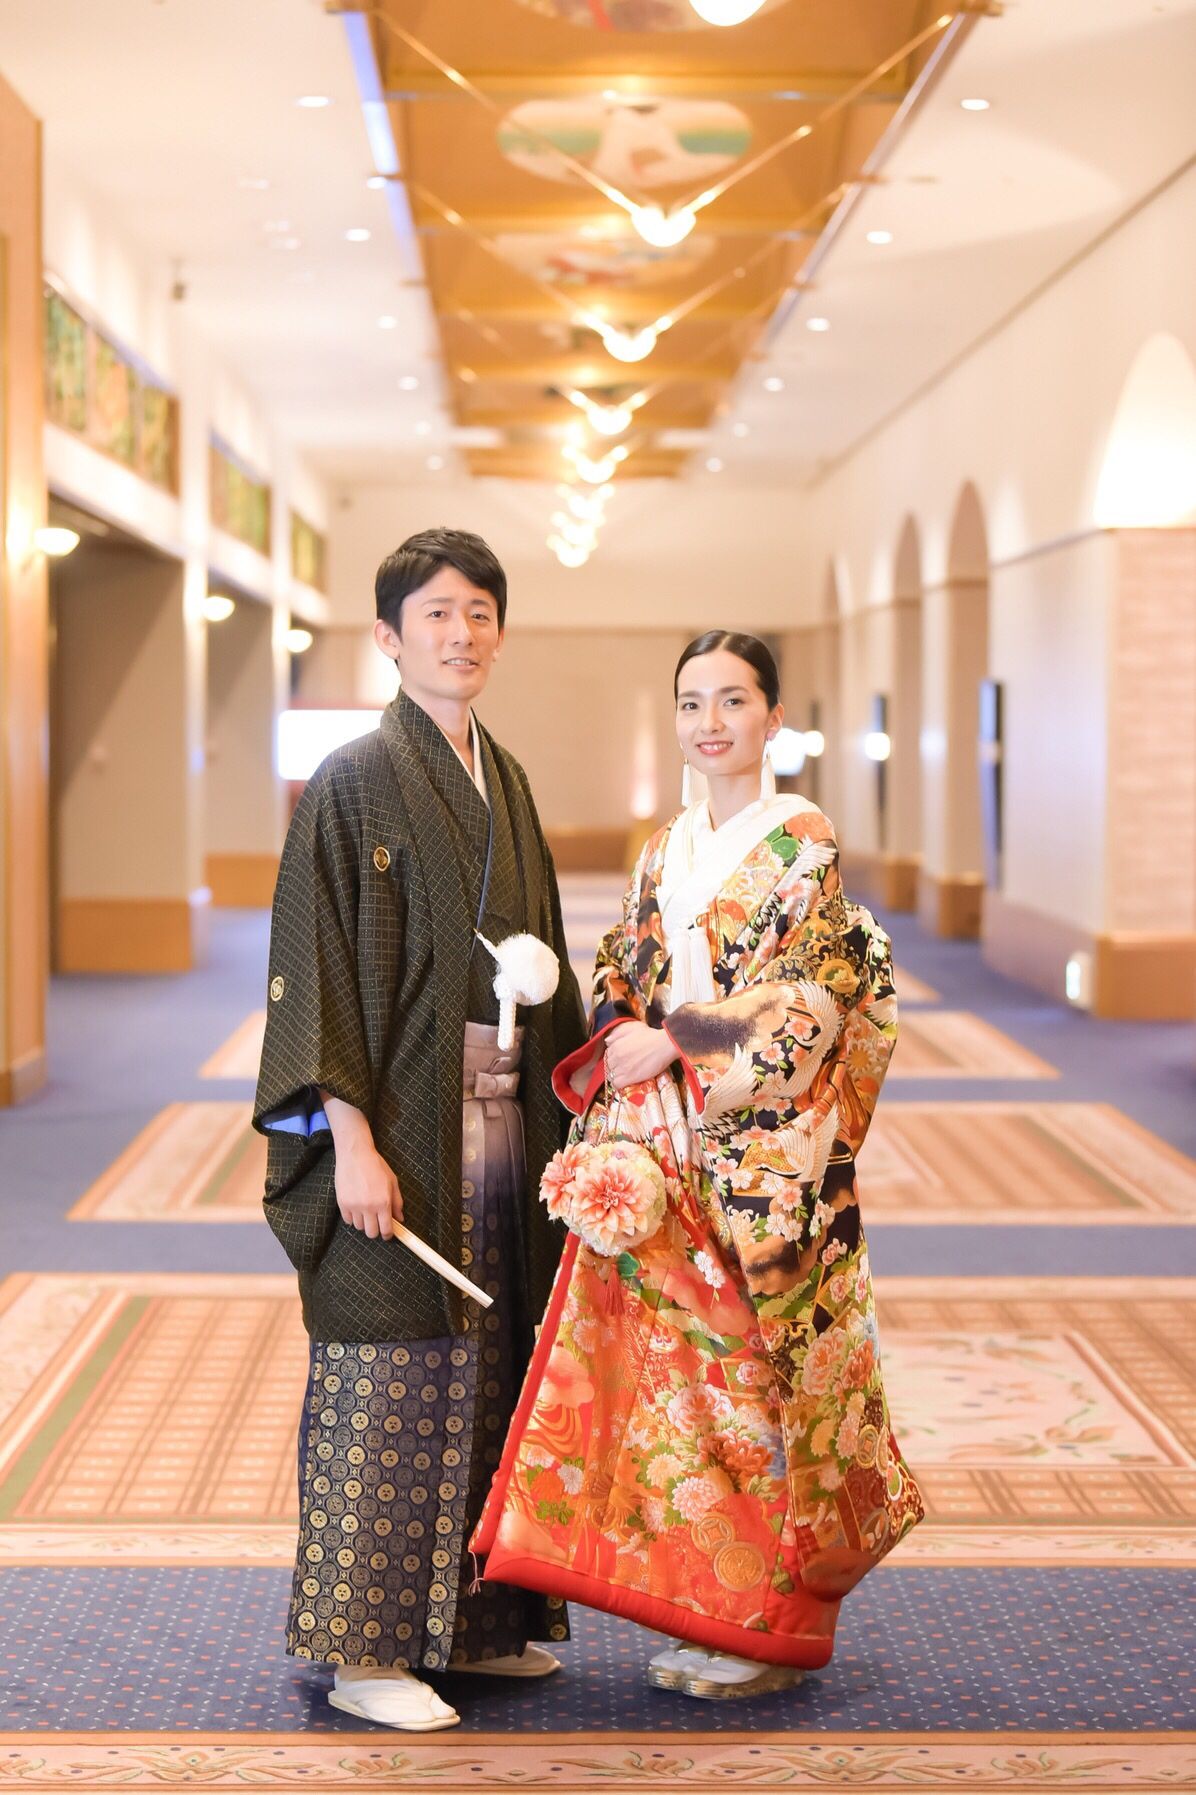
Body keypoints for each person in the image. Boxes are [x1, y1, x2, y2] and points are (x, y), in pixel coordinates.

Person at [473, 630, 923, 1700]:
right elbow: (619, 964)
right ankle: (715, 1606)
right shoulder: (663, 847)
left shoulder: (802, 845)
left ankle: (771, 1626)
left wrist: (678, 1038)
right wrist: (626, 1035)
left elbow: (811, 999)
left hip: (758, 1155)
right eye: (690, 702)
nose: (709, 722)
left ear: (774, 718)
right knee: (683, 1388)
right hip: (665, 1144)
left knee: (757, 1383)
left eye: (732, 700)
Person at [253, 528, 587, 1732]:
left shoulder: (507, 777)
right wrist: (348, 1139)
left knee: (488, 1364)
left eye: (480, 612)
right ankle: (364, 1648)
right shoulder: (352, 779)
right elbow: (318, 970)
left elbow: (547, 959)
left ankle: (474, 1628)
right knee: (388, 1372)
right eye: (437, 613)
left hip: (501, 1129)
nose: (461, 633)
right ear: (388, 637)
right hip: (398, 1126)